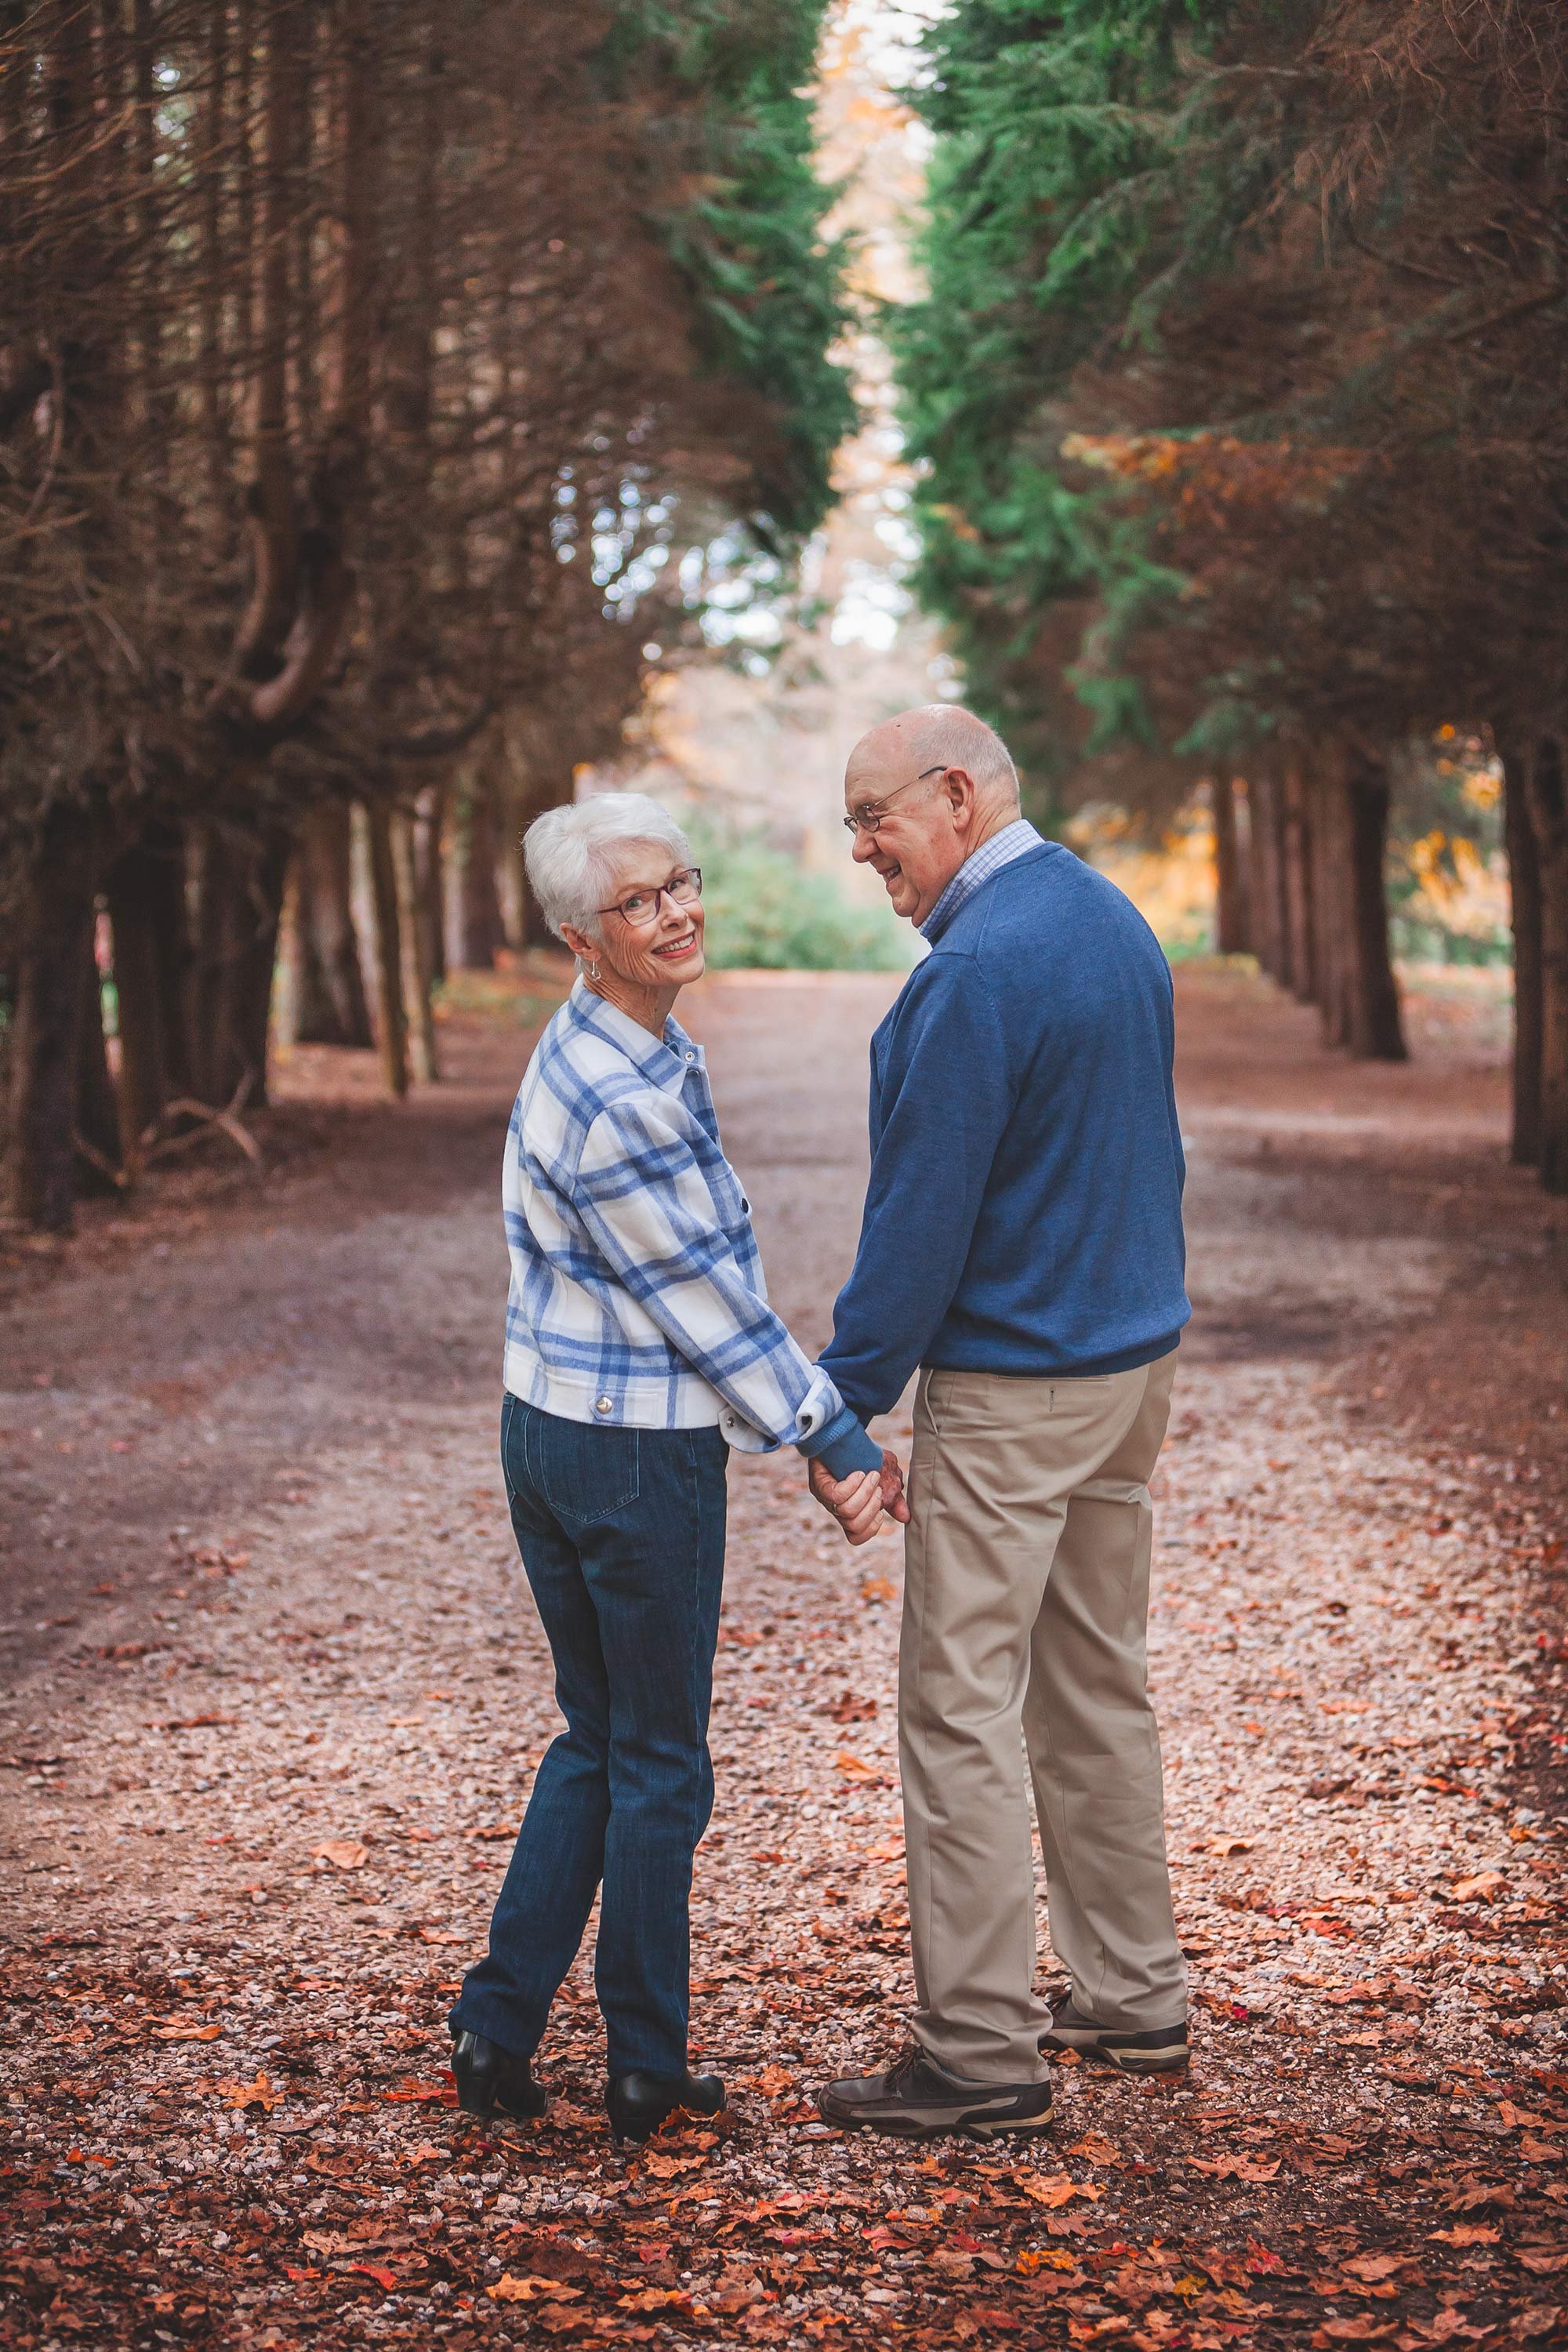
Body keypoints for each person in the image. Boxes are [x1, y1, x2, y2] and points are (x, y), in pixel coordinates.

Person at [447, 793, 906, 2147]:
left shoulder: (621, 1043)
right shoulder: (613, 1096)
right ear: (583, 938)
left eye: (683, 882)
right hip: (625, 1459)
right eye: (643, 902)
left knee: (601, 1740)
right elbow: (707, 1302)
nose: (679, 911)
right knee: (658, 1763)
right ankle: (643, 2062)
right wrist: (832, 1440)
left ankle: (497, 2021)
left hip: (555, 1430)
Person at [810, 706, 1192, 2143]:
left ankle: (979, 2053)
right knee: (1097, 1680)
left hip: (1022, 1388)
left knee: (960, 1705)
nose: (863, 849)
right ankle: (1136, 1993)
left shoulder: (973, 970)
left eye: (876, 817)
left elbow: (920, 1225)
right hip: (1126, 1376)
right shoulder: (1109, 917)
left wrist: (842, 1400)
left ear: (956, 794)